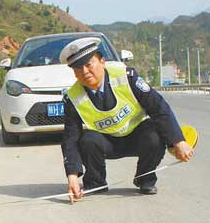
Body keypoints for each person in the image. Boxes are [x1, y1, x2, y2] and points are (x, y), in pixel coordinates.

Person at [58, 37, 194, 203]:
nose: (85, 72)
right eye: (78, 69)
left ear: (102, 61)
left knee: (155, 134)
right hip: (107, 142)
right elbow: (70, 138)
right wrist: (72, 176)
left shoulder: (126, 76)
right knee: (87, 139)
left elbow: (158, 107)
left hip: (138, 137)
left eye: (89, 65)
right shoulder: (73, 97)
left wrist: (178, 141)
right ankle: (96, 182)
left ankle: (145, 178)